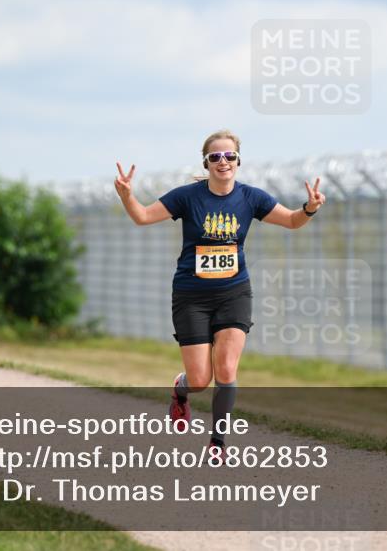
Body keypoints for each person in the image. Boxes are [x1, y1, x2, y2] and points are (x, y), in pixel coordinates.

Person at [114, 129, 325, 465]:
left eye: (229, 156)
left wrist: (309, 208)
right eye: (216, 157)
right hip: (191, 296)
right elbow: (141, 217)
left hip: (233, 293)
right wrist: (127, 195)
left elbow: (291, 221)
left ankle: (217, 442)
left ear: (238, 161)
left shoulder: (251, 198)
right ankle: (180, 389)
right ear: (206, 162)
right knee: (200, 380)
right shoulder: (187, 197)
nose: (223, 162)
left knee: (226, 369)